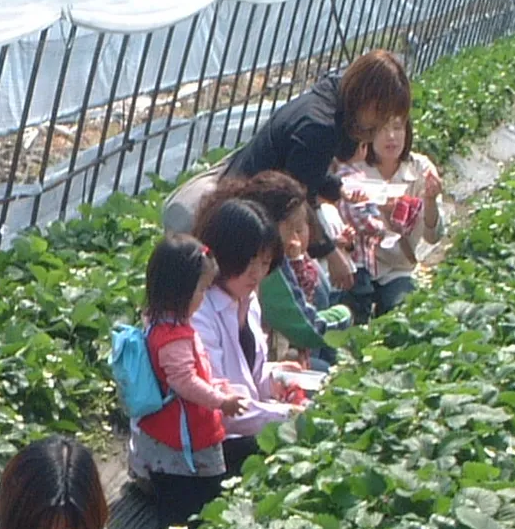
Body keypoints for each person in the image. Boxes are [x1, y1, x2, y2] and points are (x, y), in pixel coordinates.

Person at [163, 50, 412, 290]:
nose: (379, 124)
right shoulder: (319, 126)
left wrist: (338, 188)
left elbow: (303, 172)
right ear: (364, 96)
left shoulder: (330, 97)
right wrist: (330, 252)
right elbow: (301, 198)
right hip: (245, 220)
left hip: (248, 202)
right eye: (379, 112)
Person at [128, 234, 245, 529]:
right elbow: (185, 382)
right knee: (195, 501)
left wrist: (216, 384)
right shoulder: (173, 339)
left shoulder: (160, 323)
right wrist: (221, 401)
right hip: (184, 441)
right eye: (202, 290)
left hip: (169, 435)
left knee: (179, 497)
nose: (203, 298)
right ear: (179, 290)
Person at [201, 170, 356, 367]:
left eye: (301, 229)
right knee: (323, 369)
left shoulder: (250, 298)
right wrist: (346, 315)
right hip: (235, 391)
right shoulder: (211, 306)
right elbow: (306, 329)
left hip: (258, 376)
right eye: (293, 229)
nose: (256, 273)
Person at [191, 198, 301, 475]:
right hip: (210, 446)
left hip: (243, 429)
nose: (256, 274)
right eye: (248, 261)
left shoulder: (247, 299)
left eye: (264, 263)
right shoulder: (199, 312)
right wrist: (290, 415)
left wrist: (276, 377)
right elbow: (221, 405)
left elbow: (248, 376)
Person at [337, 112, 444, 319]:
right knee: (351, 320)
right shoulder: (353, 170)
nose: (391, 137)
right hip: (357, 267)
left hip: (397, 268)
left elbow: (433, 237)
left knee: (400, 313)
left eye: (397, 128)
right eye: (382, 129)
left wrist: (430, 201)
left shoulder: (419, 170)